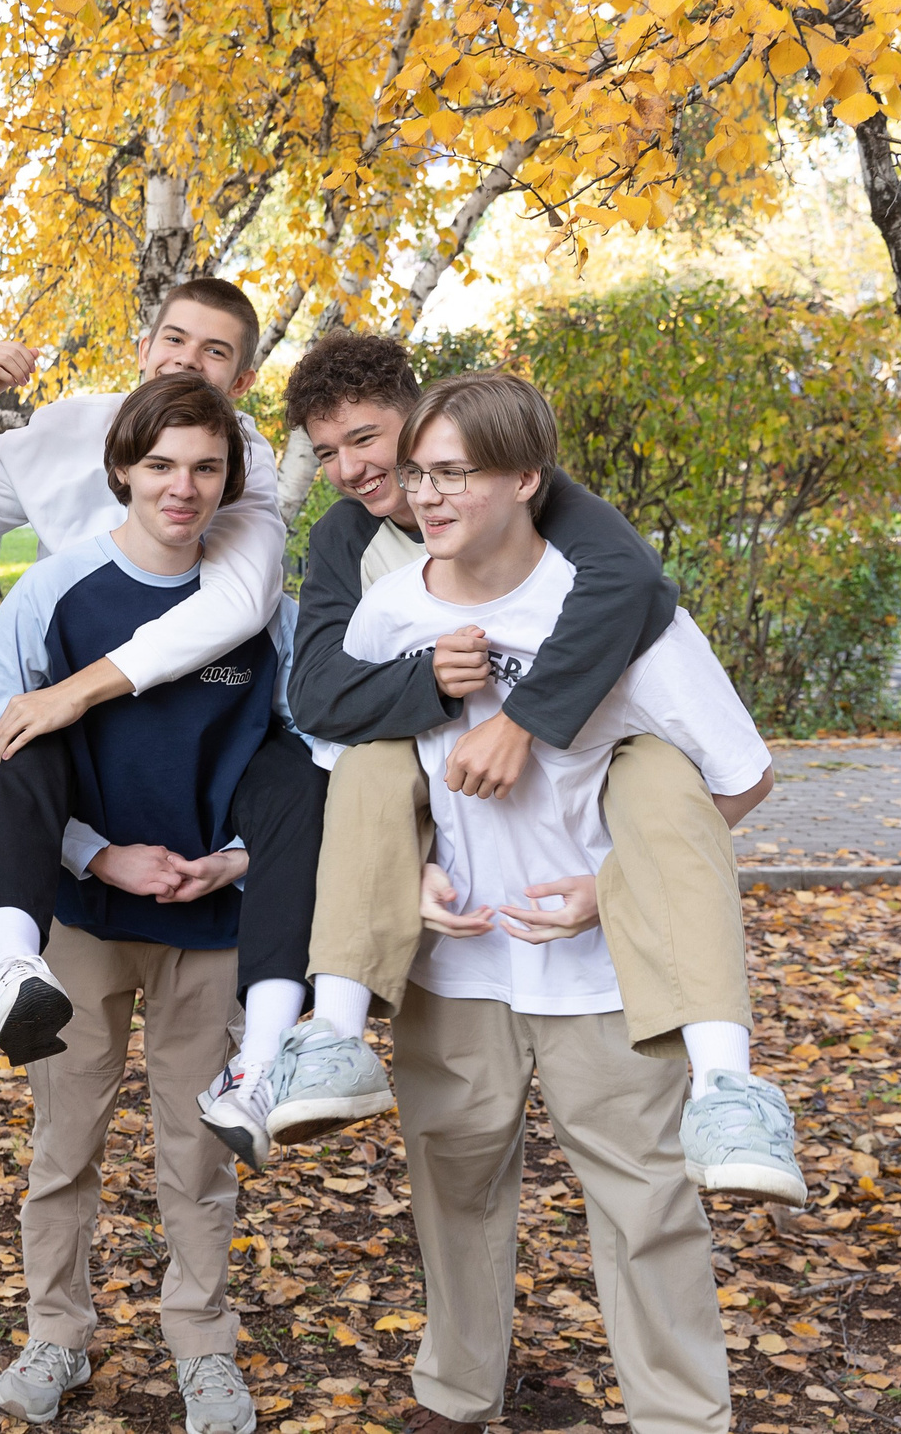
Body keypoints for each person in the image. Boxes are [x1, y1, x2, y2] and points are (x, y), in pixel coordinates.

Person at [232, 333, 805, 1204]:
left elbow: (633, 586)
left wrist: (525, 723)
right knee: (371, 766)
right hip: (458, 906)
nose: (351, 469)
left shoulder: (555, 523)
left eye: (367, 438)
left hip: (580, 897)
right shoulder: (361, 554)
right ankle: (332, 1035)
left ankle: (729, 1084)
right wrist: (426, 686)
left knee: (655, 770)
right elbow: (319, 699)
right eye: (327, 451)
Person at [335, 371, 768, 1434]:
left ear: (526, 479)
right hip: (458, 958)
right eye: (417, 473)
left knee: (645, 1200)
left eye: (455, 474)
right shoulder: (390, 609)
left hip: (596, 969)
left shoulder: (615, 613)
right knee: (452, 1188)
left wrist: (611, 892)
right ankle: (456, 1394)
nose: (428, 496)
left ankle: (680, 1417)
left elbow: (740, 776)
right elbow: (361, 766)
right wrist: (404, 872)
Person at [0, 375, 312, 1434]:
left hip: (210, 919)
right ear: (121, 470)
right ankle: (55, 1335)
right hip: (84, 919)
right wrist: (98, 856)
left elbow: (304, 756)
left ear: (230, 482)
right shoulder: (58, 592)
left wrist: (234, 862)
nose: (181, 488)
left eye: (205, 468)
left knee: (198, 1155)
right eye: (160, 465)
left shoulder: (260, 611)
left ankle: (203, 1349)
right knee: (65, 1147)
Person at [0, 280, 330, 1138]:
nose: (187, 359)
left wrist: (238, 859)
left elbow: (265, 654)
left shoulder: (245, 521)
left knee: (296, 768)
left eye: (215, 351)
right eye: (175, 338)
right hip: (85, 852)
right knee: (24, 743)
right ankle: (13, 962)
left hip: (205, 857)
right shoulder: (58, 559)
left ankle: (267, 1055)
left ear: (241, 387)